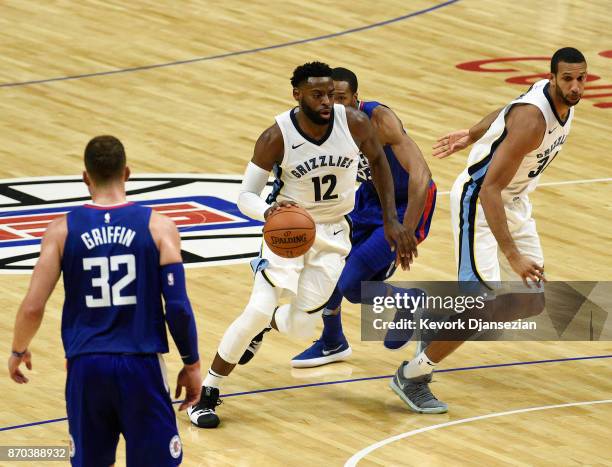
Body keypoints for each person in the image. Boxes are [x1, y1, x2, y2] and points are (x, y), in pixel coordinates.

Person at [188, 61, 414, 429]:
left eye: (329, 93)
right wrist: (267, 210)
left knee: (300, 329)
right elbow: (245, 195)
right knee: (258, 310)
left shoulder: (354, 124)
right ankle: (207, 392)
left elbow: (380, 165)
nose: (326, 101)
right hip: (287, 233)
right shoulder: (275, 136)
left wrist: (391, 217)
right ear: (297, 94)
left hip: (334, 235)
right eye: (317, 94)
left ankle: (265, 328)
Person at [388, 47, 587, 414]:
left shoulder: (551, 102)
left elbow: (506, 110)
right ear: (553, 76)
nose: (575, 87)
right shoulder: (533, 121)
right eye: (568, 79)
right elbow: (489, 190)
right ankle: (412, 375)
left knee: (531, 299)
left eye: (581, 79)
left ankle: (436, 324)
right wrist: (512, 254)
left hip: (515, 201)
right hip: (480, 202)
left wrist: (473, 132)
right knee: (482, 302)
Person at [8, 136, 202, 466]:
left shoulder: (60, 231)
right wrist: (192, 362)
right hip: (140, 364)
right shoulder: (159, 227)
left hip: (86, 366)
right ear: (126, 173)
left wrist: (18, 349)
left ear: (86, 177)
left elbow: (32, 306)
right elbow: (178, 307)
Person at [291, 67, 436, 368]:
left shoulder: (379, 120)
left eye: (342, 98)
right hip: (372, 199)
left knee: (351, 283)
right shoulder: (323, 121)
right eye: (330, 97)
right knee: (332, 271)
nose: (335, 105)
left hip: (407, 203)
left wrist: (405, 231)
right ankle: (332, 341)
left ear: (357, 98)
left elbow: (421, 175)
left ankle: (411, 301)